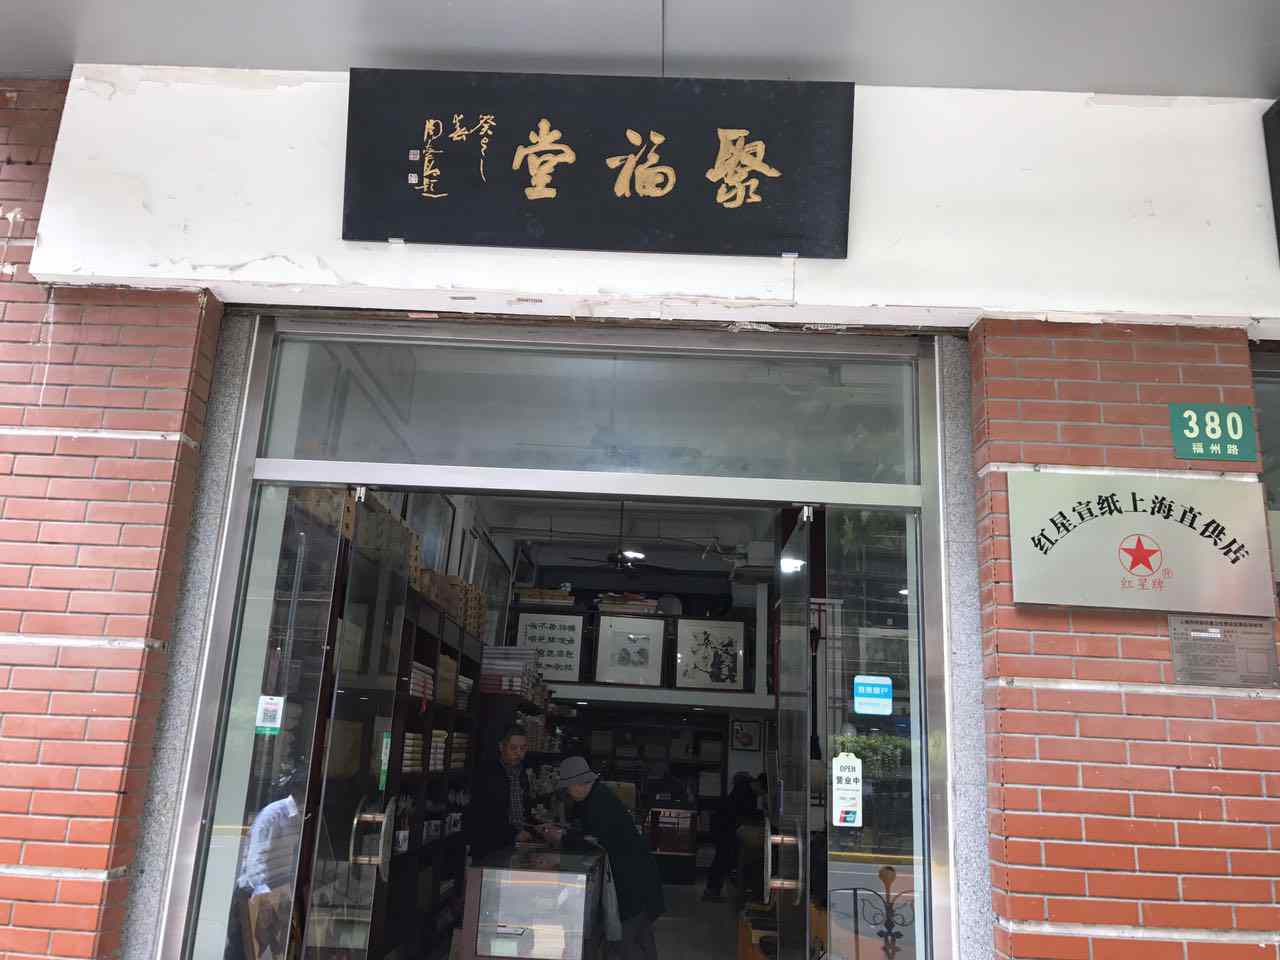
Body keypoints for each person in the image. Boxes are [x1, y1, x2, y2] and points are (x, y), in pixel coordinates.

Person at [540, 757, 665, 960]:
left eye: (567, 789)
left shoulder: (598, 803)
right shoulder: (597, 796)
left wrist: (561, 837)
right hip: (640, 881)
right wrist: (566, 832)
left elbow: (594, 842)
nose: (568, 794)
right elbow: (592, 834)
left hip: (631, 885)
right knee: (641, 938)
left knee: (625, 943)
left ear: (577, 785)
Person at [464, 723, 534, 857]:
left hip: (518, 844)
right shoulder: (487, 774)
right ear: (501, 747)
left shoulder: (523, 774)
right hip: (490, 846)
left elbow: (523, 810)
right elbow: (483, 816)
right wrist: (513, 834)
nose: (519, 753)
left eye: (523, 748)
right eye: (513, 748)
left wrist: (536, 827)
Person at [702, 771, 763, 901]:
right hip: (724, 828)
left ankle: (713, 890)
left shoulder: (744, 789)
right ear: (758, 785)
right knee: (723, 859)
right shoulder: (745, 792)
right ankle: (712, 891)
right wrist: (762, 815)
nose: (761, 795)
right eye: (762, 792)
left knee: (723, 859)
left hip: (723, 826)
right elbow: (745, 812)